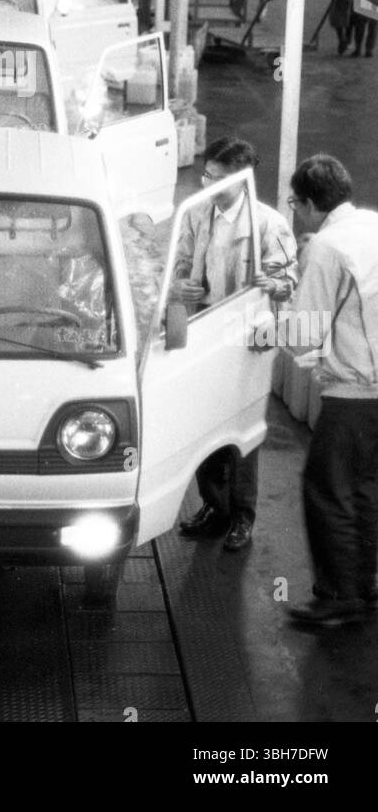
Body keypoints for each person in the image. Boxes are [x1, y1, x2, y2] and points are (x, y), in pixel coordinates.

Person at [171, 136, 298, 552]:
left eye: (220, 179)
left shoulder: (269, 224)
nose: (209, 184)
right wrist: (182, 286)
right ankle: (215, 506)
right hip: (204, 331)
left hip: (246, 339)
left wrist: (272, 284)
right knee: (201, 424)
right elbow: (178, 264)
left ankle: (242, 516)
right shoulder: (196, 214)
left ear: (243, 181)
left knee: (242, 430)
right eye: (207, 175)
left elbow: (289, 280)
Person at [281, 156, 378, 628]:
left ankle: (340, 596)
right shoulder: (371, 225)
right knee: (366, 489)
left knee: (326, 488)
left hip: (354, 393)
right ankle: (366, 582)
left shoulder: (325, 247)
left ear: (309, 203)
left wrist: (271, 318)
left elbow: (303, 336)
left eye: (295, 203)